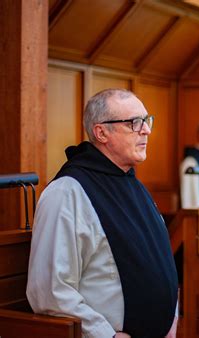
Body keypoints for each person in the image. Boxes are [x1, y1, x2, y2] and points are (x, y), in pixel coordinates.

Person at [26, 89, 179, 338]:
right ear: (101, 132)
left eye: (146, 120)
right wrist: (105, 336)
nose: (146, 130)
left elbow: (160, 261)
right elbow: (50, 291)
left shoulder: (133, 185)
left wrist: (170, 319)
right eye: (134, 123)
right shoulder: (68, 192)